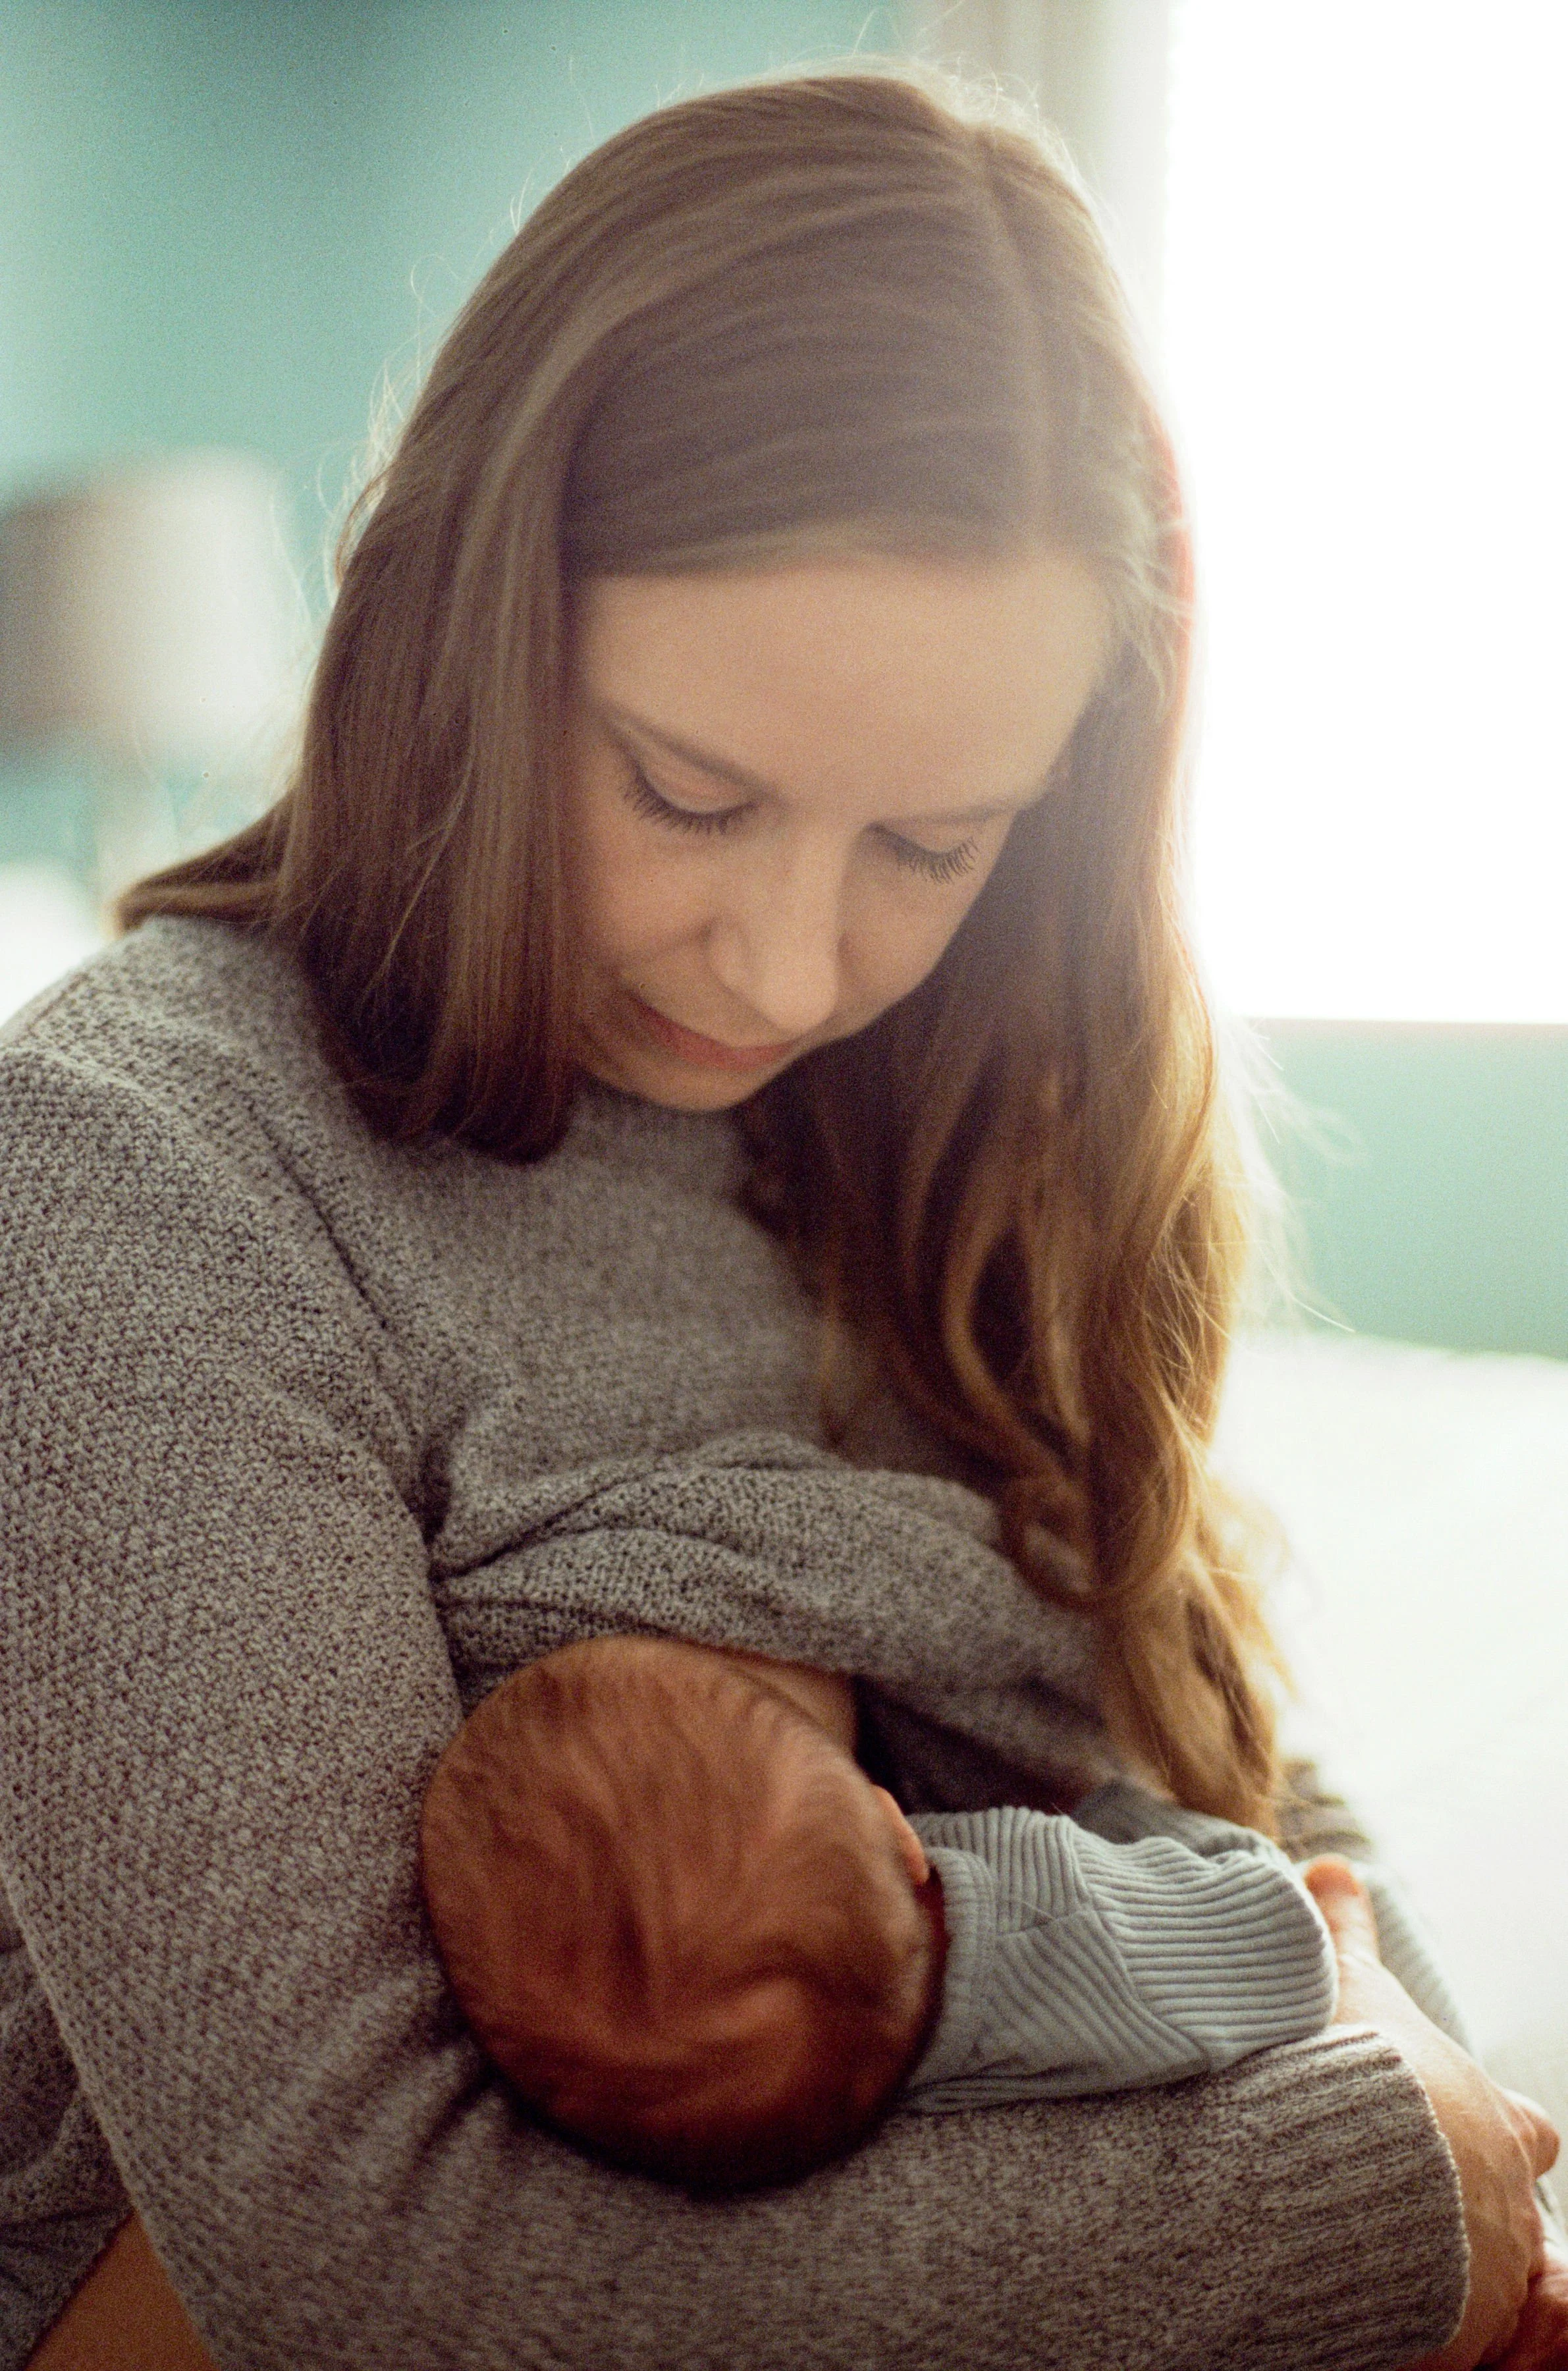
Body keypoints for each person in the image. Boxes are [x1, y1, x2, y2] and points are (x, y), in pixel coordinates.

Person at [2, 60, 1562, 2371]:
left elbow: (1207, 1751)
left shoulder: (938, 1134)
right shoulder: (143, 1169)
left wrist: (1489, 2182)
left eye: (931, 847)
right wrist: (1373, 2201)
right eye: (687, 790)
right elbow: (367, 2270)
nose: (788, 966)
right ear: (457, 624)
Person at [417, 1633, 1337, 2191]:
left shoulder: (803, 2090)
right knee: (1333, 1868)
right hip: (1290, 1970)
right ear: (906, 1835)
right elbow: (1284, 1934)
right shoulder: (1054, 1910)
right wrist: (1114, 1811)